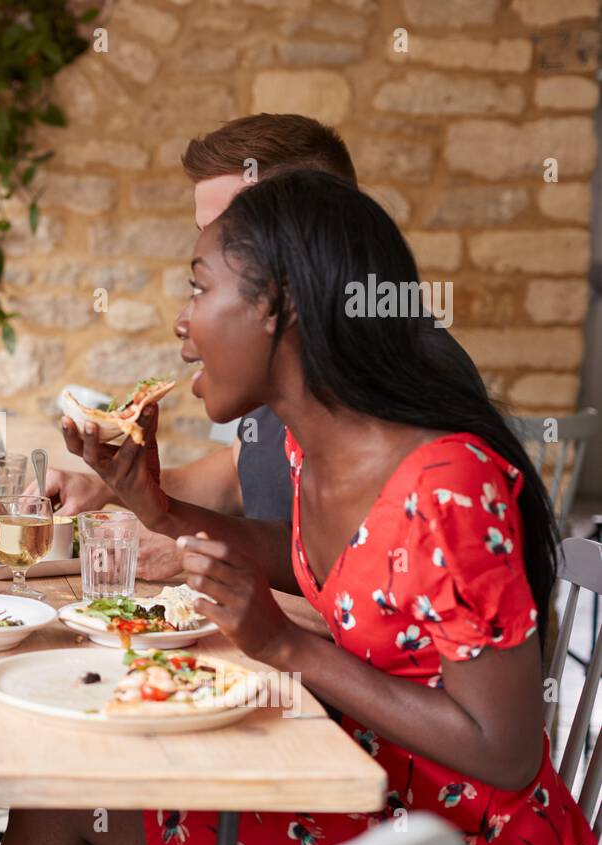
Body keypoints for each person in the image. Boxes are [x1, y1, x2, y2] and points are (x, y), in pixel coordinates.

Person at [0, 171, 597, 845]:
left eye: (199, 287)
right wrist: (155, 507)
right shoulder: (310, 445)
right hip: (360, 793)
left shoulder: (449, 487)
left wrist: (285, 645)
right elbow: (324, 564)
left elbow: (507, 752)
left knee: (61, 801)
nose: (182, 323)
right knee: (69, 793)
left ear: (278, 306)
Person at [35, 114, 482, 598]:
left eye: (231, 238)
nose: (185, 319)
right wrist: (114, 491)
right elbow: (243, 481)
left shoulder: (410, 403)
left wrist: (197, 562)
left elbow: (373, 607)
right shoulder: (293, 368)